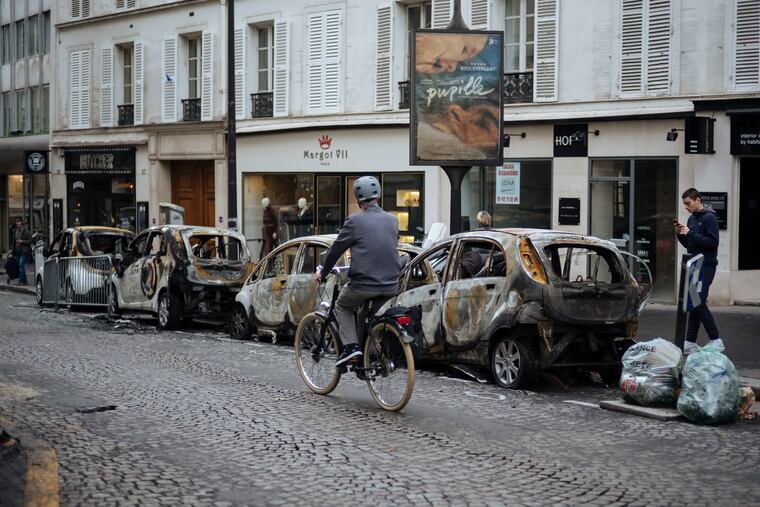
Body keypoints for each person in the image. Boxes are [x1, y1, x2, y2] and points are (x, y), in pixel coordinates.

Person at [314, 176, 402, 367]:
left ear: (358, 198)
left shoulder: (355, 221)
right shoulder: (393, 220)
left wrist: (323, 271)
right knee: (363, 314)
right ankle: (366, 359)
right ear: (378, 195)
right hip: (391, 285)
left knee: (343, 306)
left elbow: (336, 249)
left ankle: (352, 348)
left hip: (365, 284)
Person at [674, 188, 723, 354]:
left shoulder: (709, 218)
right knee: (693, 303)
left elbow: (712, 242)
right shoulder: (691, 219)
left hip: (707, 264)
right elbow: (690, 244)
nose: (686, 207)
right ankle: (690, 342)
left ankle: (716, 339)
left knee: (698, 302)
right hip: (694, 264)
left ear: (698, 200)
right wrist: (680, 234)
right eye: (684, 204)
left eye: (688, 203)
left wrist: (691, 233)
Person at [13, 218, 32, 286]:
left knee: (21, 265)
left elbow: (30, 241)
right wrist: (13, 252)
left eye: (20, 224)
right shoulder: (15, 231)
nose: (18, 226)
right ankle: (25, 281)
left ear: (22, 225)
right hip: (17, 251)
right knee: (20, 266)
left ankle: (20, 281)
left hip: (24, 251)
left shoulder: (26, 231)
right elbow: (14, 242)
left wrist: (22, 241)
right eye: (17, 224)